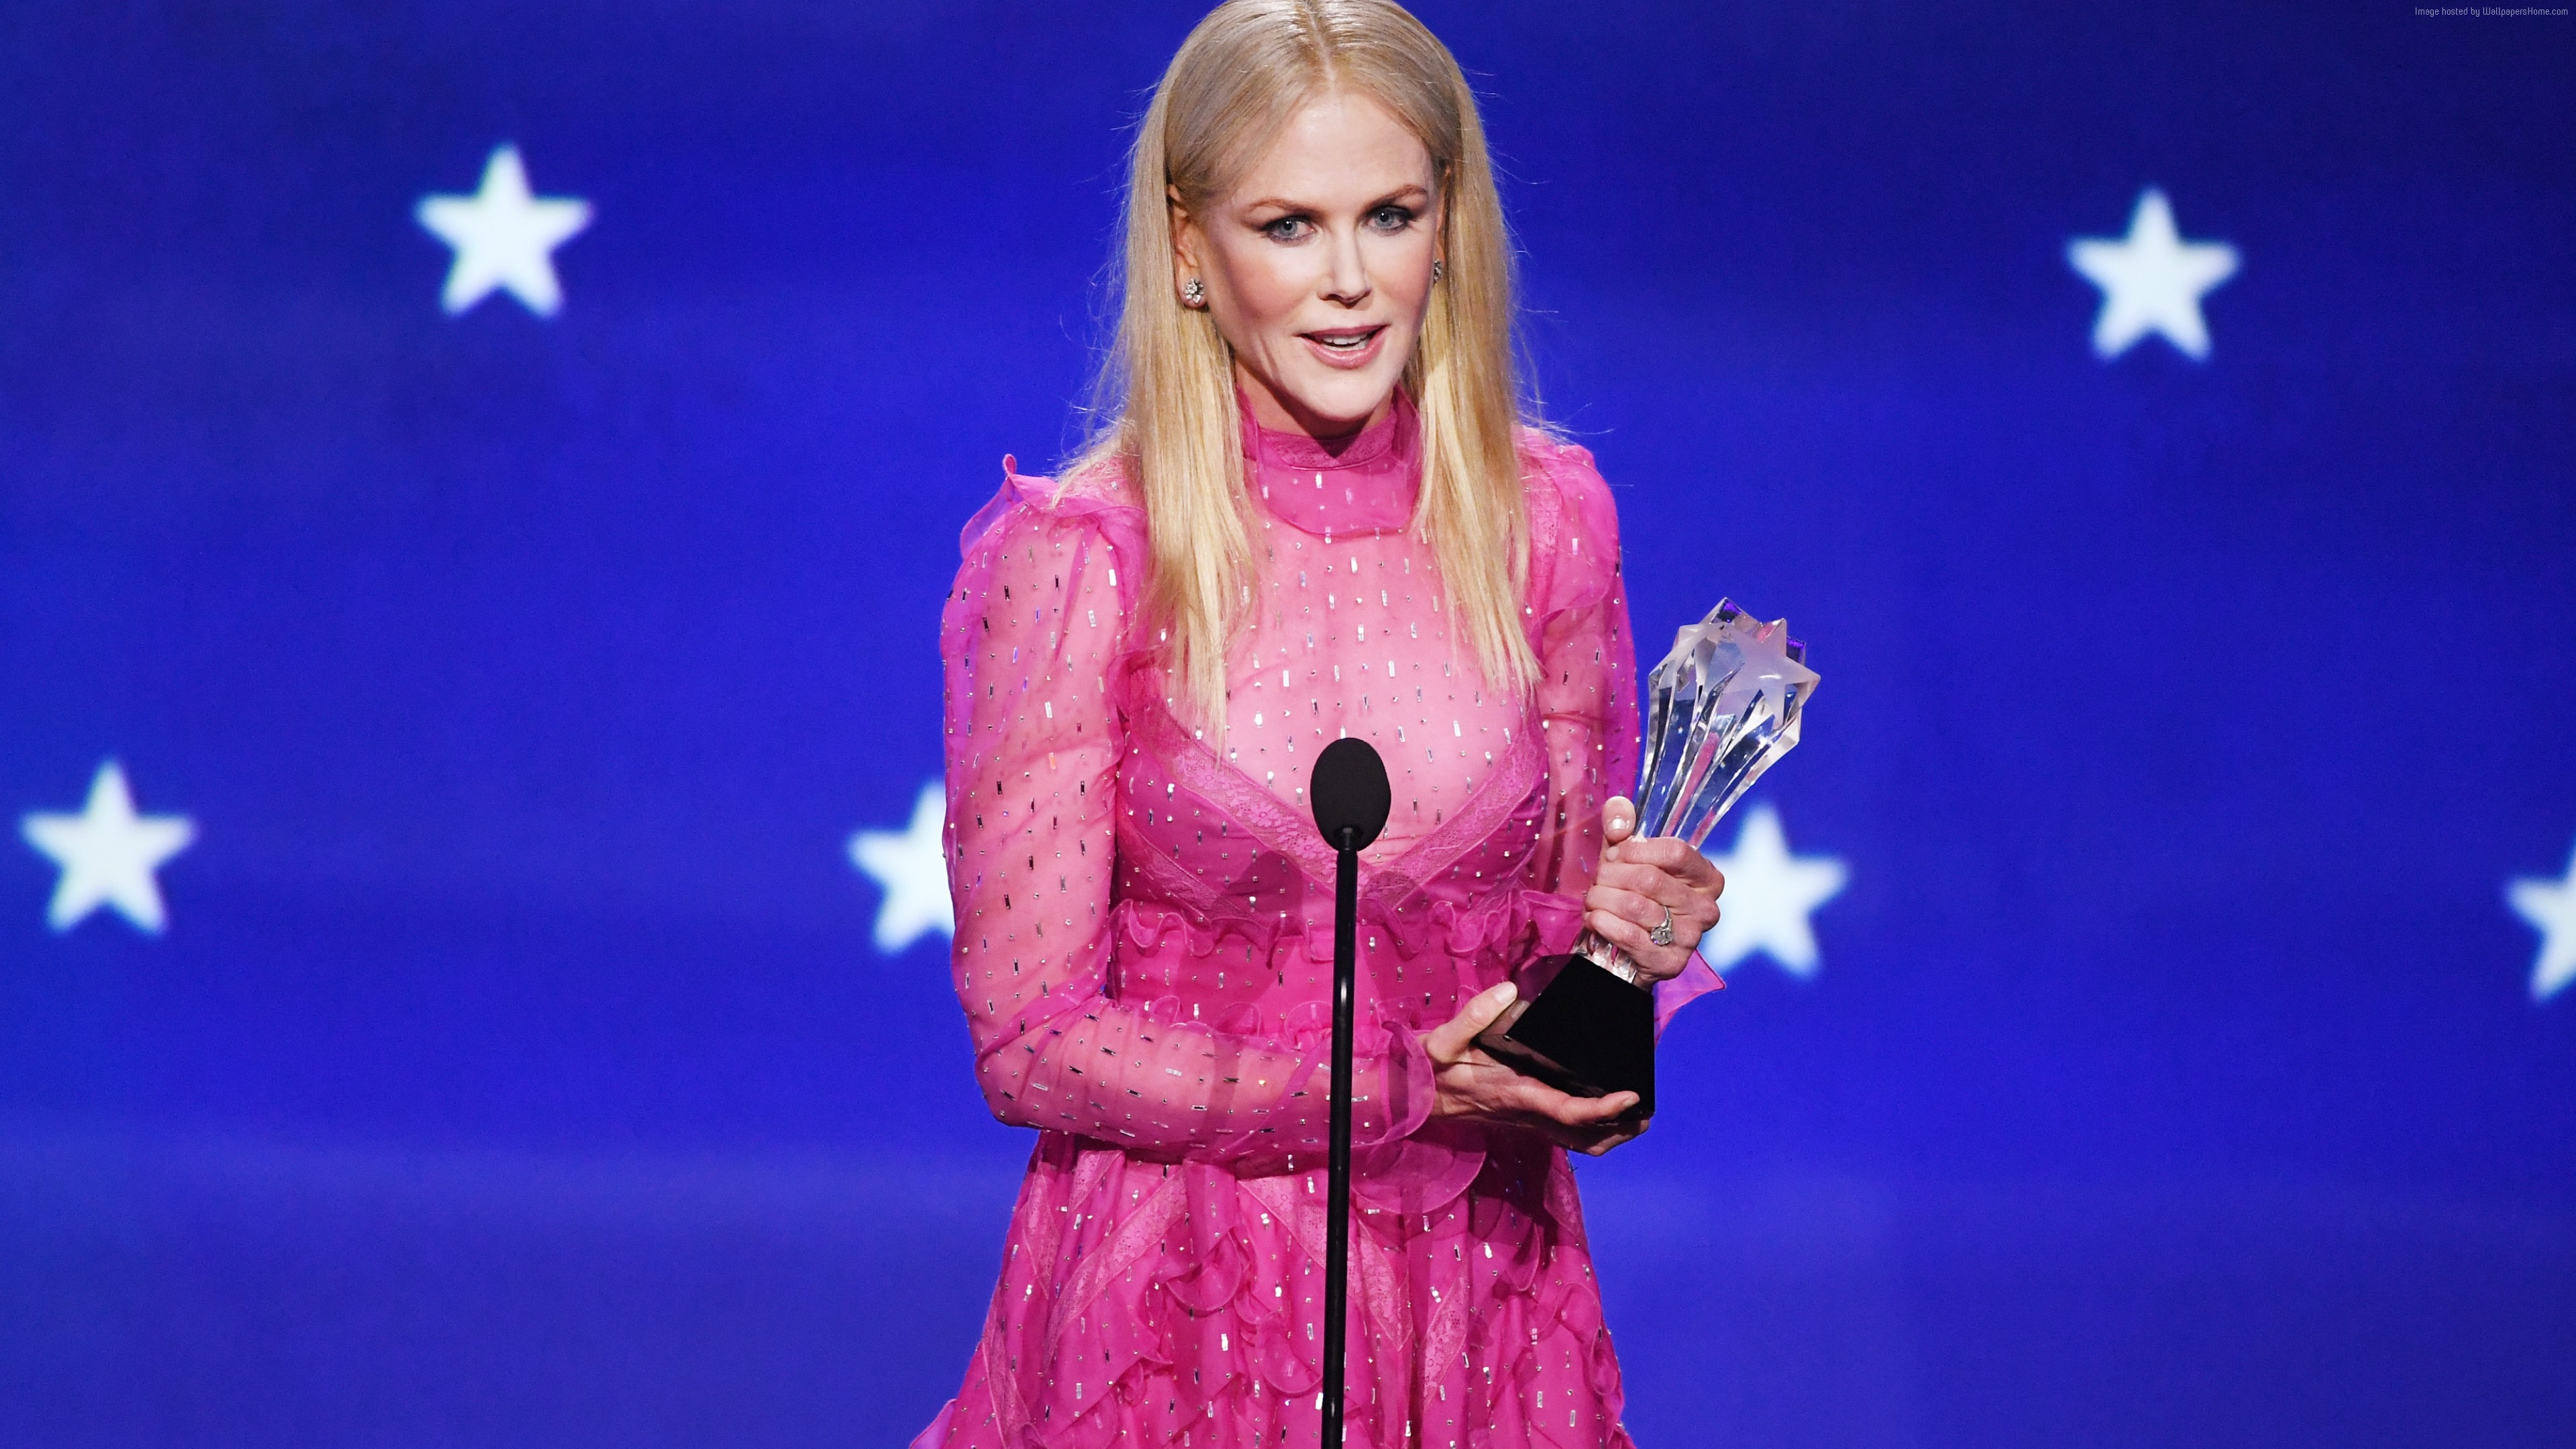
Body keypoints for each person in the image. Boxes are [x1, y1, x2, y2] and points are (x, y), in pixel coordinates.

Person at [918, 3, 1727, 1444]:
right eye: (1288, 226)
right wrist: (1389, 1088)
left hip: (1482, 1298)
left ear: (1448, 225)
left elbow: (1542, 993)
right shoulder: (1087, 558)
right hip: (1186, 1310)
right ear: (1189, 246)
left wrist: (1620, 959)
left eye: (1390, 216)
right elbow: (1030, 1041)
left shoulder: (1548, 524)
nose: (1350, 280)